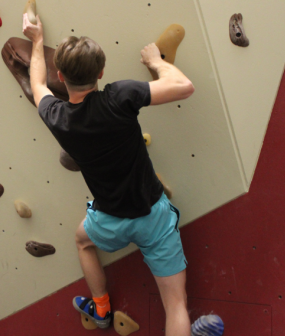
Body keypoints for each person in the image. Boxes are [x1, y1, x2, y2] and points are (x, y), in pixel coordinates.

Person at [22, 14, 195, 336]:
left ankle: (101, 308)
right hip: (152, 215)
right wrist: (156, 61)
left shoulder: (56, 115)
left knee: (82, 242)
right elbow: (184, 87)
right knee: (176, 305)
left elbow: (38, 85)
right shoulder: (119, 97)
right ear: (101, 73)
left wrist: (35, 40)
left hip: (109, 220)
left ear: (61, 75)